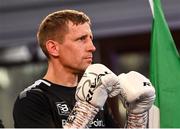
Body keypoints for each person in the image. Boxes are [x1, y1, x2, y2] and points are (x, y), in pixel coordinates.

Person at [13, 9, 155, 128]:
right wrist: (85, 111)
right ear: (53, 48)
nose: (91, 47)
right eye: (81, 39)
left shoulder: (97, 92)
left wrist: (137, 116)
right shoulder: (32, 99)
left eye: (91, 38)